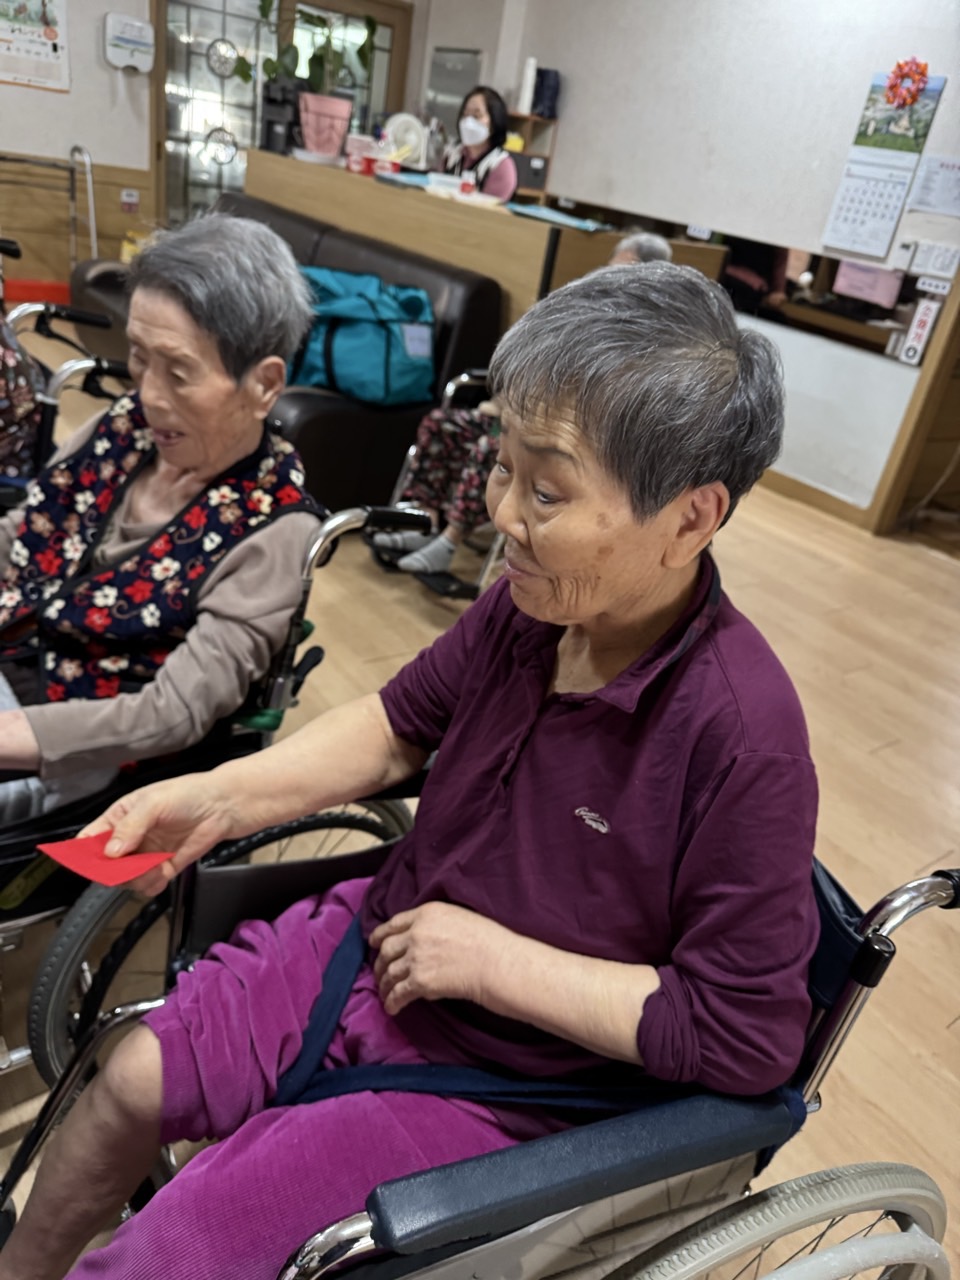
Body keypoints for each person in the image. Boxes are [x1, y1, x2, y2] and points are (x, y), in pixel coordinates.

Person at [0, 263, 819, 1280]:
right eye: (504, 469)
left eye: (547, 491)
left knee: (178, 1246)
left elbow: (745, 1036)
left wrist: (490, 961)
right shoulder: (531, 605)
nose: (502, 514)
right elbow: (397, 724)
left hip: (515, 1079)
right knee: (128, 1081)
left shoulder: (742, 737)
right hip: (385, 939)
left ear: (692, 518)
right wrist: (215, 796)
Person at [0, 214, 321, 824]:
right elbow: (26, 528)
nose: (148, 394)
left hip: (82, 740)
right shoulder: (124, 427)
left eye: (178, 372)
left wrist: (11, 733)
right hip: (19, 645)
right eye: (139, 358)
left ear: (263, 385)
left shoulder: (273, 527)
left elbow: (171, 714)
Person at [376, 230, 674, 577]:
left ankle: (449, 539)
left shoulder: (641, 345)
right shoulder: (581, 314)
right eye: (612, 267)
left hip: (559, 436)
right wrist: (502, 403)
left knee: (493, 448)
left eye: (625, 270)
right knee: (441, 424)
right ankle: (424, 519)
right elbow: (530, 370)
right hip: (514, 412)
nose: (612, 277)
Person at [440, 85, 518, 202]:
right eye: (465, 115)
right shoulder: (451, 154)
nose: (468, 122)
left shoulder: (500, 165)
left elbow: (489, 209)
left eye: (476, 116)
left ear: (494, 121)